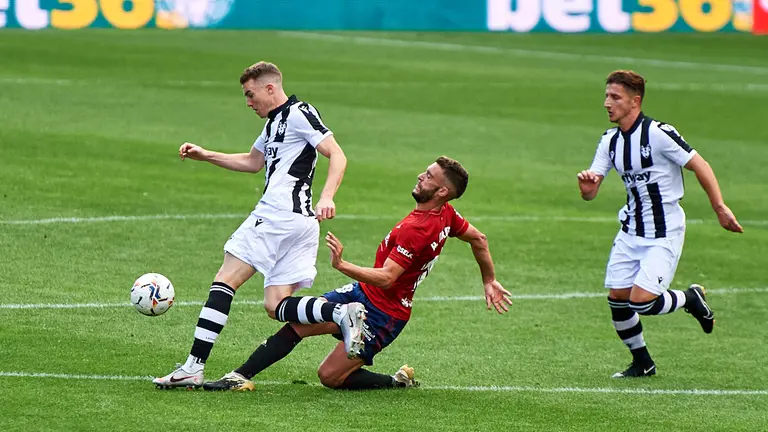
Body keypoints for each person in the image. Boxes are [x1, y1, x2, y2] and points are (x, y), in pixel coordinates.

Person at [201, 156, 513, 391]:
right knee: (298, 324)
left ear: (442, 190)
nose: (420, 175)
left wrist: (342, 265)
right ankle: (239, 377)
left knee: (329, 377)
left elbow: (388, 277)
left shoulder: (418, 230)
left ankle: (394, 382)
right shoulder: (445, 213)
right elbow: (479, 239)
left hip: (384, 314)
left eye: (428, 176)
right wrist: (489, 280)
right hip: (363, 295)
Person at [154, 61, 367, 389]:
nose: (248, 102)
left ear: (270, 88)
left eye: (251, 94)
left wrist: (328, 196)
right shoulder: (273, 124)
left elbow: (336, 154)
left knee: (225, 281)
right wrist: (206, 154)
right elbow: (254, 162)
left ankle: (193, 367)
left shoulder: (298, 112)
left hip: (278, 214)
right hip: (300, 224)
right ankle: (339, 313)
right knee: (276, 305)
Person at [577, 70, 743, 378]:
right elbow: (591, 192)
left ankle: (690, 298)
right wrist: (587, 186)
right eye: (606, 96)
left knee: (642, 301)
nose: (607, 103)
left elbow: (699, 164)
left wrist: (719, 207)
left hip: (664, 231)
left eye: (615, 97)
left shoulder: (658, 133)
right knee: (618, 298)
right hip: (630, 230)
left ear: (635, 101)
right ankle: (643, 362)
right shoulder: (610, 141)